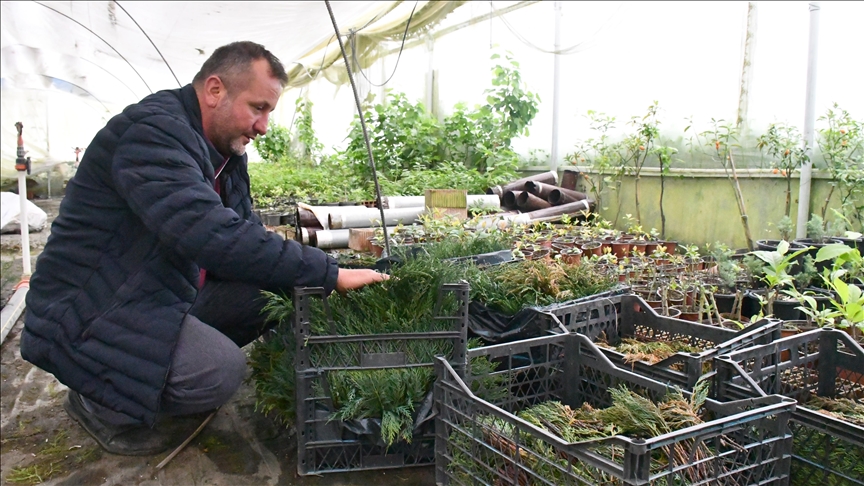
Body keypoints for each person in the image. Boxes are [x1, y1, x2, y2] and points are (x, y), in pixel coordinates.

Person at [20, 41, 386, 456]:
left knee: (278, 290)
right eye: (258, 108)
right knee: (218, 372)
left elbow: (242, 230)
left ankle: (148, 371)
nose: (264, 126)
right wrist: (330, 272)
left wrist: (315, 271)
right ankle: (99, 401)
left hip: (160, 289)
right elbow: (212, 235)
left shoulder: (224, 150)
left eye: (269, 112)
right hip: (93, 304)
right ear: (215, 90)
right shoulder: (151, 134)